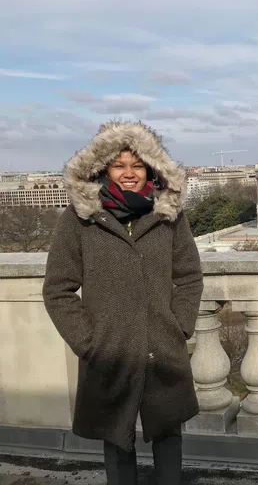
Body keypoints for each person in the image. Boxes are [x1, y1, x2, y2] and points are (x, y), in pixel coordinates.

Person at [43, 121, 204, 484]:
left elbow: (189, 276)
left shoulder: (169, 215)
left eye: (137, 165)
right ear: (103, 170)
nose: (129, 174)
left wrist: (179, 325)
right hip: (110, 350)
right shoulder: (80, 219)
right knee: (117, 441)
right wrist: (89, 342)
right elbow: (58, 289)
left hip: (161, 347)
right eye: (120, 165)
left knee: (167, 437)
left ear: (150, 168)